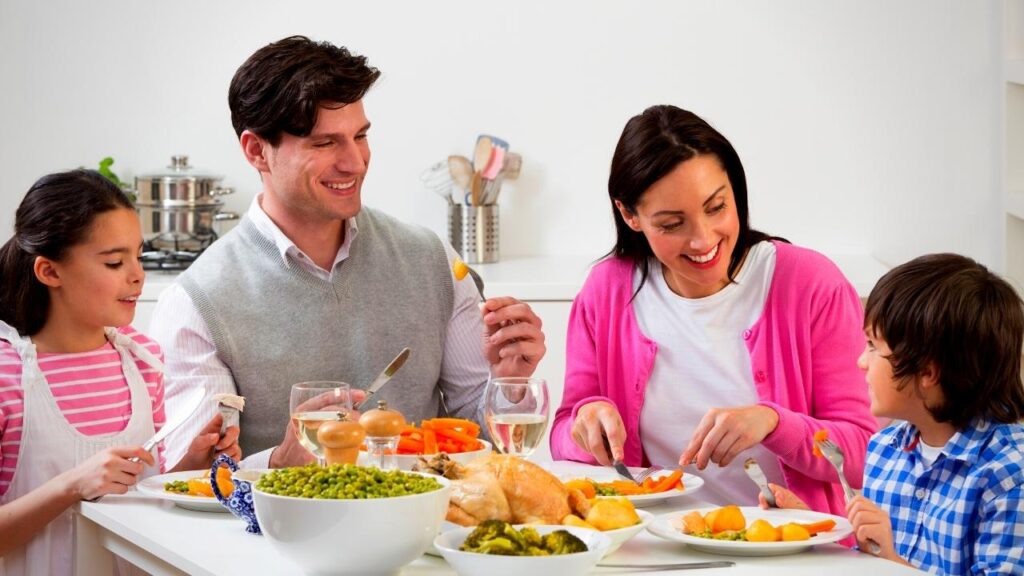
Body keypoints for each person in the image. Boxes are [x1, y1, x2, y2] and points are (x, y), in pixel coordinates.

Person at [149, 35, 546, 469]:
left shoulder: (431, 260)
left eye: (360, 136)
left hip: (424, 529)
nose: (355, 162)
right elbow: (194, 483)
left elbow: (483, 443)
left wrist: (508, 383)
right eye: (325, 143)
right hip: (276, 536)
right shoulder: (197, 303)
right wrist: (280, 465)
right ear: (256, 151)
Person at [549, 105, 877, 515]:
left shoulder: (810, 284)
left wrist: (775, 424)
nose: (703, 239)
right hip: (650, 543)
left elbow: (868, 452)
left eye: (717, 207)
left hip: (788, 548)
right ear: (630, 215)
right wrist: (584, 422)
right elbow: (561, 436)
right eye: (672, 224)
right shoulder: (606, 291)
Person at [0, 170, 240, 576]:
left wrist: (191, 465)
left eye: (138, 256)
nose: (136, 274)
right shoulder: (8, 376)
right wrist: (71, 486)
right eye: (114, 261)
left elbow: (144, 496)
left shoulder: (142, 361)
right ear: (49, 272)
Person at [762, 253, 1024, 574]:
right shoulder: (885, 448)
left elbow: (885, 562)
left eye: (873, 345)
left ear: (928, 372)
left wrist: (893, 564)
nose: (861, 361)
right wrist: (808, 527)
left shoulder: (1011, 475)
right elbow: (869, 558)